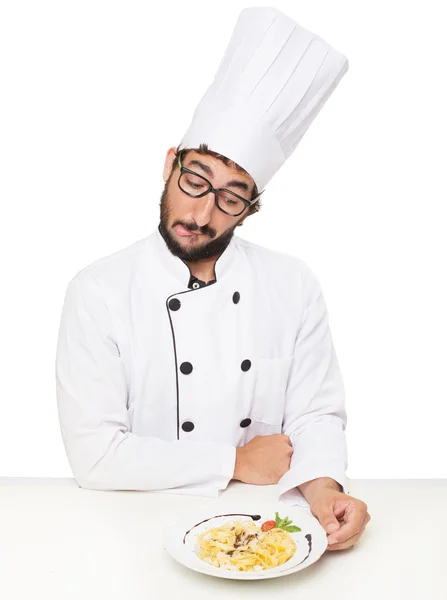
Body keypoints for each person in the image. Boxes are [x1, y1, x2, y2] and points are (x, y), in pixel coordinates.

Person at [55, 7, 370, 552]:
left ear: (251, 209)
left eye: (231, 197)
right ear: (170, 163)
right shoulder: (98, 291)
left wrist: (324, 489)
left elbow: (315, 413)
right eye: (196, 179)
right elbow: (95, 456)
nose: (202, 215)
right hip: (129, 531)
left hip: (262, 530)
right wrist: (236, 461)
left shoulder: (292, 284)